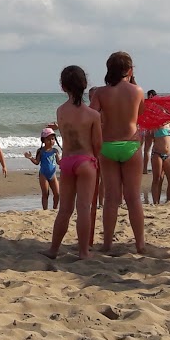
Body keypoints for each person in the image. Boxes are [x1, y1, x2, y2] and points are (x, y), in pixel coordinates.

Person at [90, 51, 145, 255]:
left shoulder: (101, 93)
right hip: (130, 143)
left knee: (112, 198)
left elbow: (92, 115)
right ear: (129, 70)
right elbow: (140, 113)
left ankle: (107, 244)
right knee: (133, 198)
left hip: (108, 144)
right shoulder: (137, 90)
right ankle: (140, 244)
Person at [47, 65, 103, 262]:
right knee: (84, 208)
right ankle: (83, 251)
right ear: (85, 85)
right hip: (86, 161)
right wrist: (96, 161)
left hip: (68, 160)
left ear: (63, 87)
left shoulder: (60, 111)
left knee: (65, 209)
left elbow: (66, 134)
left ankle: (54, 249)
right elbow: (97, 144)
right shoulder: (93, 115)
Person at [25, 128, 61, 209]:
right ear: (43, 140)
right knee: (45, 193)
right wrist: (30, 158)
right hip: (43, 175)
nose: (51, 141)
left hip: (53, 175)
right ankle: (45, 209)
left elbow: (59, 162)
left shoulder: (55, 151)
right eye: (48, 139)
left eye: (52, 139)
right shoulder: (41, 151)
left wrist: (66, 159)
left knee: (57, 193)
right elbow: (37, 162)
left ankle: (55, 208)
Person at [147, 116, 170, 204]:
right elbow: (148, 137)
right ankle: (156, 202)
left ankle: (169, 201)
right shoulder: (155, 124)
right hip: (157, 154)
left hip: (168, 155)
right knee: (157, 178)